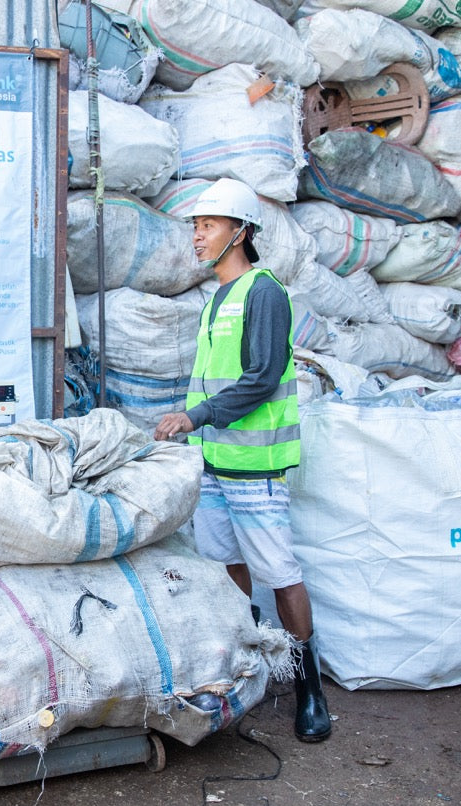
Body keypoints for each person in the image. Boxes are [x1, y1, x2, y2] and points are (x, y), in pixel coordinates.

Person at [154, 178, 331, 743]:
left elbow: (259, 379)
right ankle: (250, 675)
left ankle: (310, 690)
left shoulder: (265, 293)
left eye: (208, 225)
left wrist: (195, 416)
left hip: (254, 468)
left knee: (279, 575)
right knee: (230, 572)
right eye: (197, 226)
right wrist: (194, 430)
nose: (198, 236)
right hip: (213, 467)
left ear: (241, 232)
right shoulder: (216, 299)